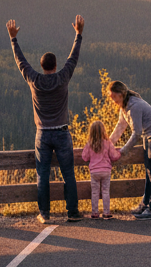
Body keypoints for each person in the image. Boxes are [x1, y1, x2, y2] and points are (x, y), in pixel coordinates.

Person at [8, 15, 84, 224]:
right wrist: (78, 34)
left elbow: (21, 62)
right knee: (68, 173)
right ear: (56, 65)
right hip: (61, 132)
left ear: (41, 66)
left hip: (42, 134)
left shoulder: (34, 79)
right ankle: (72, 212)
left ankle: (45, 214)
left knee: (43, 175)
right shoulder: (62, 78)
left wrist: (13, 39)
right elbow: (74, 57)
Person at [108, 80, 151, 220]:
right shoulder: (124, 106)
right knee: (148, 172)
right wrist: (108, 144)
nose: (113, 100)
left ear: (121, 94)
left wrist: (123, 151)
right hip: (149, 136)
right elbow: (120, 127)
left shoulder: (134, 106)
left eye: (114, 97)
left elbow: (136, 133)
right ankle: (144, 205)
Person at [81, 119, 121, 219]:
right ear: (103, 131)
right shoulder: (107, 143)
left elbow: (84, 157)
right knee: (105, 191)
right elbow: (114, 156)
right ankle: (106, 212)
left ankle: (95, 212)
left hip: (94, 172)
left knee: (95, 192)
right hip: (106, 171)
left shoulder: (89, 144)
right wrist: (120, 152)